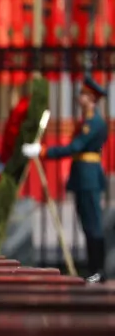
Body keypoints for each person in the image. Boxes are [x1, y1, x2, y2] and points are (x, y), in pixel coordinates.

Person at [22, 76, 108, 284]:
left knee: (93, 225)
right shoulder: (86, 121)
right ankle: (93, 268)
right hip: (82, 177)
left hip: (88, 178)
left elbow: (75, 148)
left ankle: (99, 270)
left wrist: (42, 151)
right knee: (87, 224)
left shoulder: (94, 123)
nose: (80, 98)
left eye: (83, 95)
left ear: (92, 98)